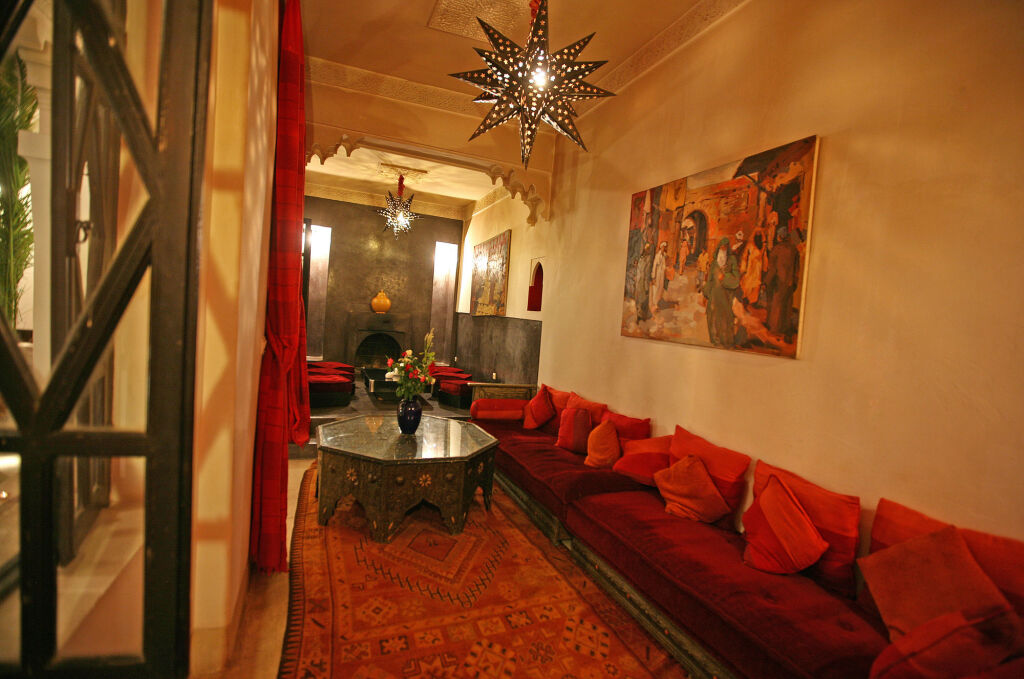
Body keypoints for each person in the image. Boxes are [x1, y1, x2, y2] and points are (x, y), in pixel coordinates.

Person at [703, 237, 740, 347]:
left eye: (725, 248)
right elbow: (709, 280)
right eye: (721, 247)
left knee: (725, 319)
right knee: (712, 318)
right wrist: (706, 294)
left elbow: (736, 280)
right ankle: (715, 340)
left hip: (726, 297)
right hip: (714, 296)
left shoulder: (732, 260)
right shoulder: (714, 263)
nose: (723, 250)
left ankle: (726, 341)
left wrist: (725, 278)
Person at [764, 226, 799, 336]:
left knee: (777, 304)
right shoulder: (794, 249)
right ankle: (785, 327)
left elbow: (772, 269)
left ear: (779, 237)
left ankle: (775, 329)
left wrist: (766, 281)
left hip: (779, 281)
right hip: (790, 282)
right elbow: (797, 268)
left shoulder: (776, 249)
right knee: (787, 305)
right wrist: (795, 282)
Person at [740, 228, 765, 305]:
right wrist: (743, 268)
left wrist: (765, 268)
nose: (758, 234)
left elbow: (764, 257)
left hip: (758, 269)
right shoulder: (750, 245)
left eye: (759, 233)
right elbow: (744, 257)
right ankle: (745, 299)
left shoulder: (763, 246)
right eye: (757, 233)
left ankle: (753, 301)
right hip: (750, 268)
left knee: (756, 285)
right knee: (748, 284)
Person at [650, 241, 668, 312]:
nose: (664, 248)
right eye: (663, 247)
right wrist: (653, 276)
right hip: (657, 274)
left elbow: (664, 265)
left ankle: (657, 303)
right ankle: (654, 304)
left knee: (660, 288)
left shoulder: (664, 256)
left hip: (662, 274)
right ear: (661, 248)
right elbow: (654, 266)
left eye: (665, 247)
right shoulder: (657, 256)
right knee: (656, 288)